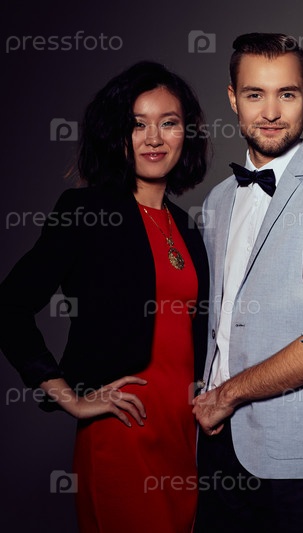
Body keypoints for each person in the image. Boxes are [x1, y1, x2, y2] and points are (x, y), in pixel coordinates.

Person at [0, 61, 209, 533]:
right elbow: (9, 307)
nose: (153, 138)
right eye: (137, 124)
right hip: (122, 433)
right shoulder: (86, 212)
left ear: (187, 134)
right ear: (116, 134)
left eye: (168, 123)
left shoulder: (188, 228)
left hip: (183, 438)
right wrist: (70, 397)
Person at [191, 33, 303, 533]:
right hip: (216, 447)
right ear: (233, 99)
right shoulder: (217, 201)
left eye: (286, 94)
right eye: (255, 94)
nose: (271, 112)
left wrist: (227, 395)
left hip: (299, 458)